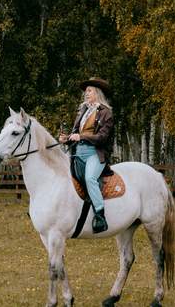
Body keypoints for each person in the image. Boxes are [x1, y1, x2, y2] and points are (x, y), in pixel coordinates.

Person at [59, 77, 114, 233]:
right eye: (86, 91)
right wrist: (66, 139)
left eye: (90, 90)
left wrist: (81, 136)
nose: (86, 93)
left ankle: (100, 215)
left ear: (97, 93)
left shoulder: (106, 113)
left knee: (90, 178)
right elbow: (76, 134)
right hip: (78, 153)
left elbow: (102, 138)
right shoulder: (83, 111)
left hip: (95, 154)